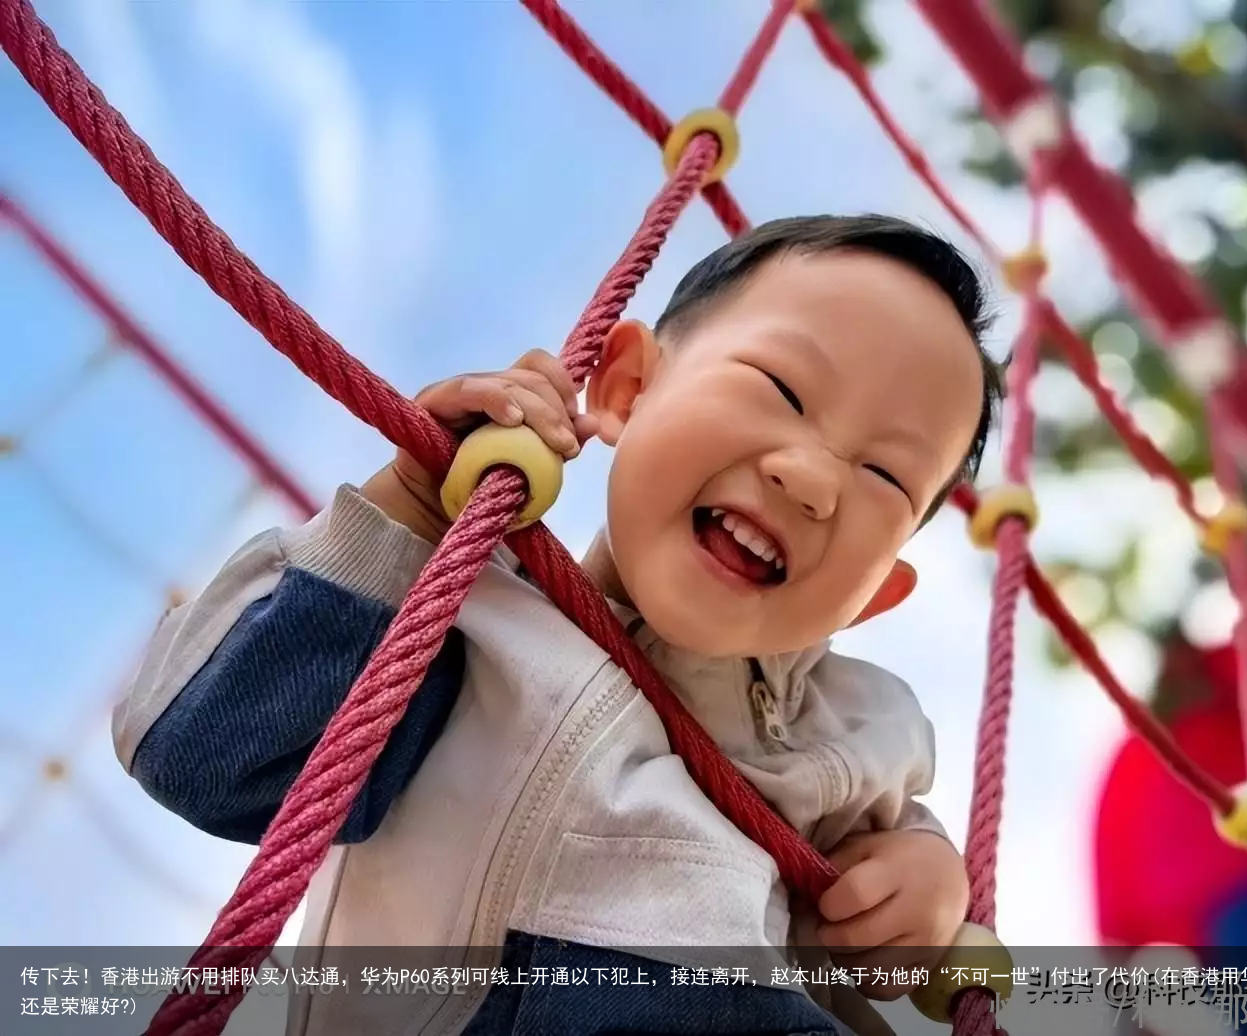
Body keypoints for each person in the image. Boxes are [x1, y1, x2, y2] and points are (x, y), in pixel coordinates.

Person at [112, 214, 1005, 1035]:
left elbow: (880, 869)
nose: (812, 480)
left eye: (885, 478)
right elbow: (205, 758)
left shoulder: (853, 726)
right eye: (781, 387)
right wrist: (411, 508)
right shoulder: (467, 621)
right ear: (624, 387)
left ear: (877, 594)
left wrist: (927, 879)